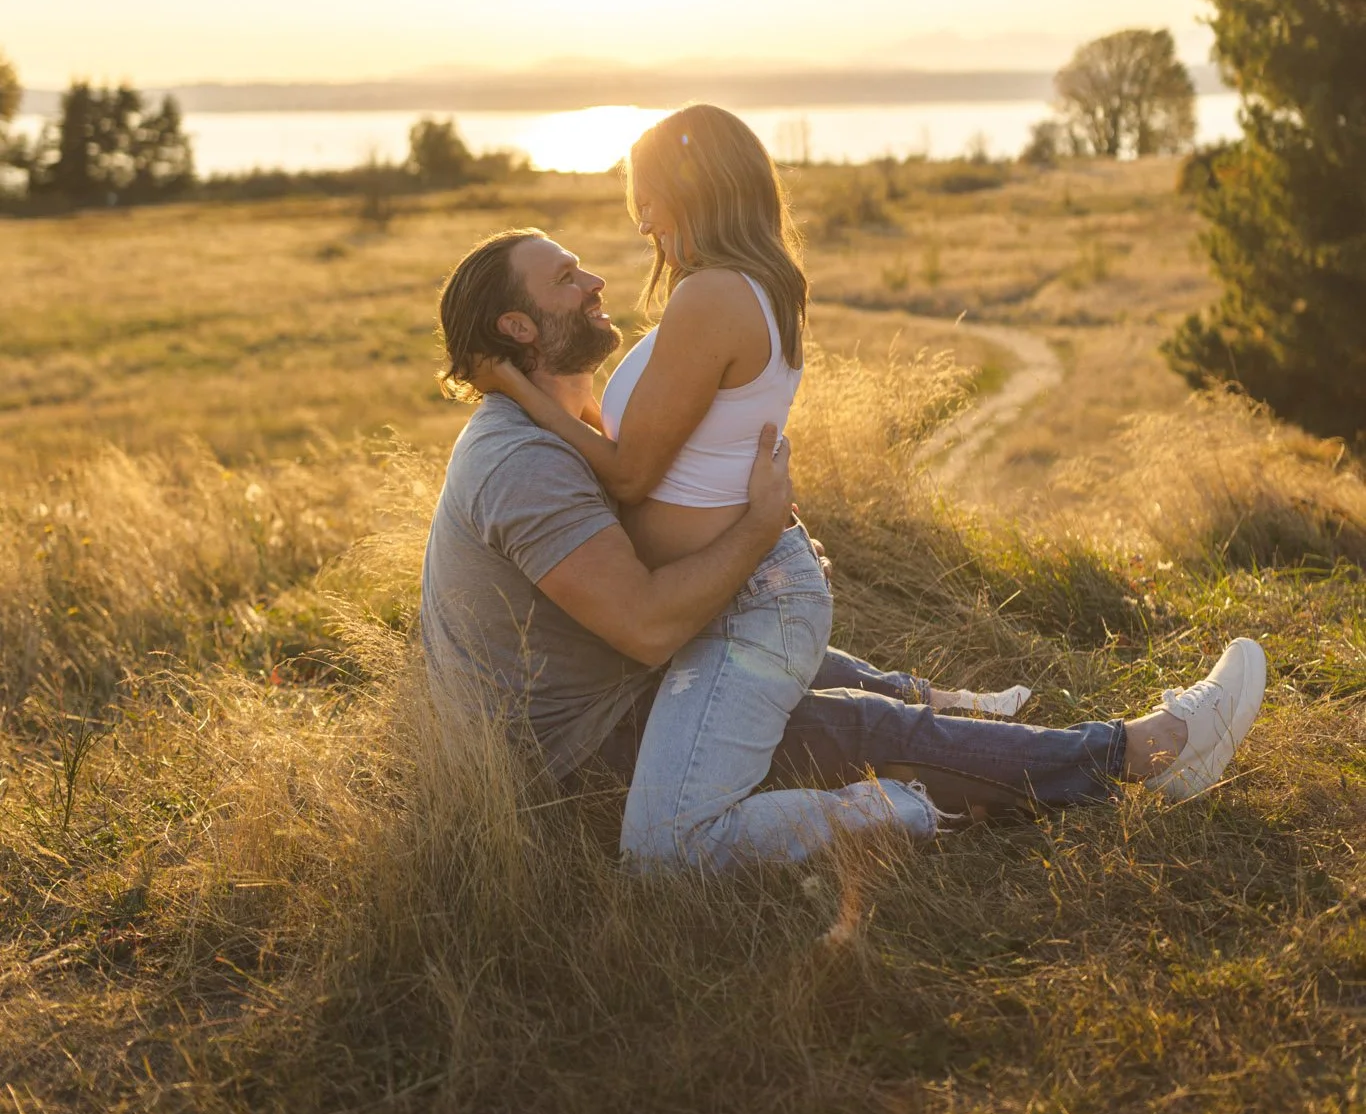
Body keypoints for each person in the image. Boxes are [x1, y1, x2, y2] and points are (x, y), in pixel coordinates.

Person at [420, 217, 1268, 865]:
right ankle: (1143, 754)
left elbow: (650, 569)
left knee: (762, 645)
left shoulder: (566, 424)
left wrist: (759, 557)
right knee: (837, 731)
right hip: (578, 759)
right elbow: (644, 625)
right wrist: (755, 534)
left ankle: (936, 707)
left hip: (608, 696)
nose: (597, 279)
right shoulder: (521, 463)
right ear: (520, 328)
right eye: (567, 279)